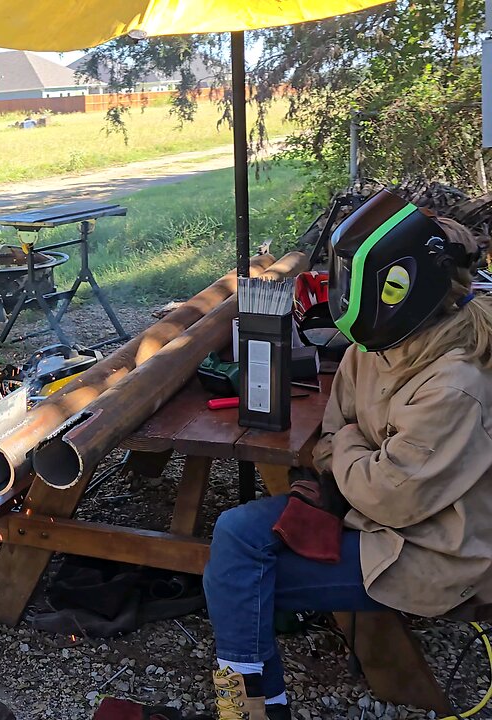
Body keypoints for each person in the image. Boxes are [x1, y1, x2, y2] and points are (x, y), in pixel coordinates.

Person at [202, 189, 492, 719]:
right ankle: (251, 706)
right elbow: (335, 431)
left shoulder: (455, 383)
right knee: (233, 534)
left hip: (433, 550)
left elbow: (386, 493)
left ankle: (248, 711)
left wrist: (348, 451)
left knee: (237, 582)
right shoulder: (376, 345)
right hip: (368, 512)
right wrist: (349, 456)